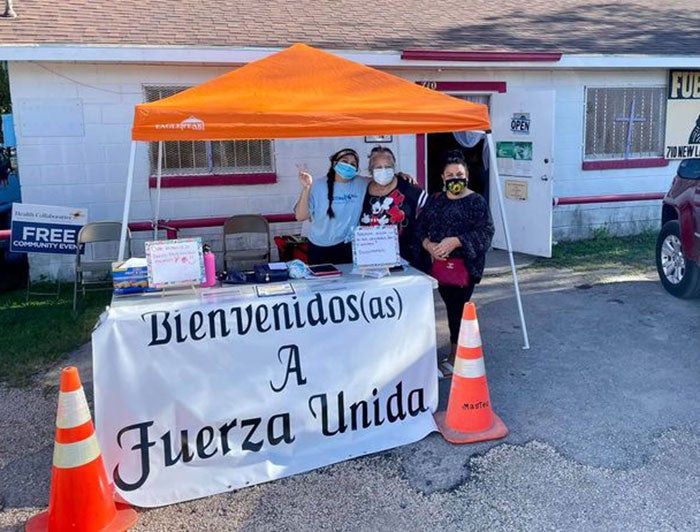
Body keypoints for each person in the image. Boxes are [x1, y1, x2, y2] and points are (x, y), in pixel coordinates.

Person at [415, 150, 494, 377]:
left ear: (467, 176)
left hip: (465, 268)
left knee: (457, 310)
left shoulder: (476, 202)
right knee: (451, 308)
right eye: (449, 174)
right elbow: (419, 228)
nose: (454, 178)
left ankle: (455, 356)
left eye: (459, 173)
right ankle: (456, 350)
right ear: (442, 177)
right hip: (440, 266)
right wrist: (429, 245)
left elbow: (486, 233)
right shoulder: (436, 200)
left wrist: (456, 241)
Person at [294, 148, 367, 265]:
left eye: (353, 164)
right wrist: (306, 188)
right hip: (320, 248)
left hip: (348, 246)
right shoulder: (317, 186)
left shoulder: (361, 183)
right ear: (334, 163)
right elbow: (300, 216)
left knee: (350, 282)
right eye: (344, 161)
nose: (348, 165)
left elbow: (382, 182)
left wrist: (399, 176)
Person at [359, 146, 427, 265]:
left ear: (394, 168)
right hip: (370, 257)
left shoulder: (409, 188)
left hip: (405, 259)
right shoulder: (362, 189)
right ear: (371, 170)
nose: (383, 170)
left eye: (388, 167)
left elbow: (432, 211)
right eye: (378, 167)